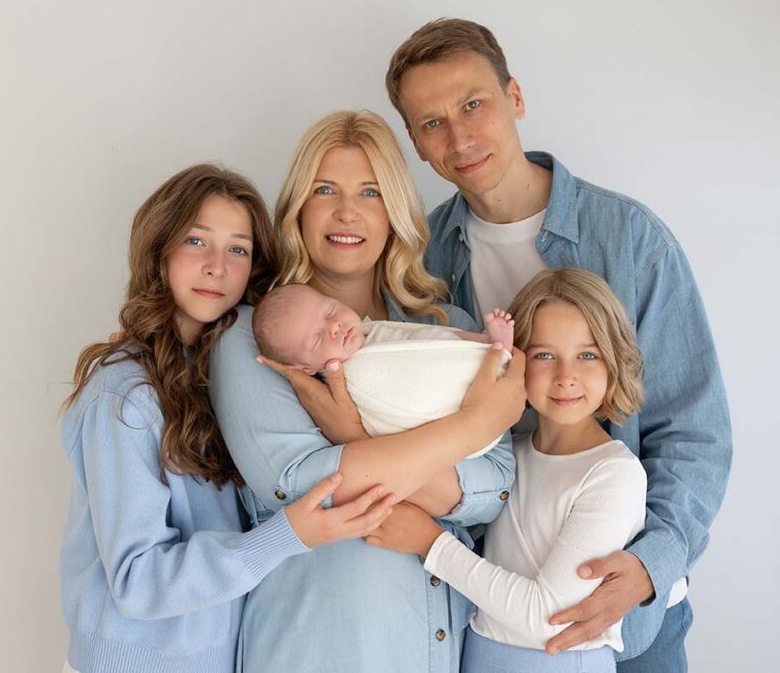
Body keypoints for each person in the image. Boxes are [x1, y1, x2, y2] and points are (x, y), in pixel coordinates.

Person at [385, 18, 731, 669]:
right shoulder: (419, 259)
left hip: (628, 613)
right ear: (415, 142)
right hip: (492, 619)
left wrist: (649, 564)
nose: (458, 137)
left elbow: (695, 429)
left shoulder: (630, 238)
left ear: (514, 96)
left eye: (472, 104)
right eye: (431, 122)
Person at [208, 110, 526, 672]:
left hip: (435, 640)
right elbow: (301, 484)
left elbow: (495, 486)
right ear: (298, 209)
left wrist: (351, 440)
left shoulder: (444, 324)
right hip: (321, 643)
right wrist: (469, 427)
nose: (346, 211)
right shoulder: (254, 338)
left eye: (370, 191)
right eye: (324, 189)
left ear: (394, 212)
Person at [57, 164, 398, 673]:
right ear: (159, 250)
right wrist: (288, 534)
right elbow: (137, 579)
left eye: (238, 248)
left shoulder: (233, 375)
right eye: (197, 242)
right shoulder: (124, 394)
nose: (218, 266)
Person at [370, 268, 647, 673]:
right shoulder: (505, 457)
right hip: (480, 656)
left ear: (613, 362)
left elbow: (547, 617)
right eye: (544, 355)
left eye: (587, 355)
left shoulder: (613, 474)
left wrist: (431, 544)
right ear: (515, 360)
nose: (566, 376)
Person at [253, 283, 512, 452]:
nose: (334, 327)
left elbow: (424, 340)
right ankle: (492, 355)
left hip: (489, 407)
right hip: (452, 431)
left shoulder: (372, 331)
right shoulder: (349, 380)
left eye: (331, 311)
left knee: (435, 343)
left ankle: (487, 348)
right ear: (305, 368)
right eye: (318, 339)